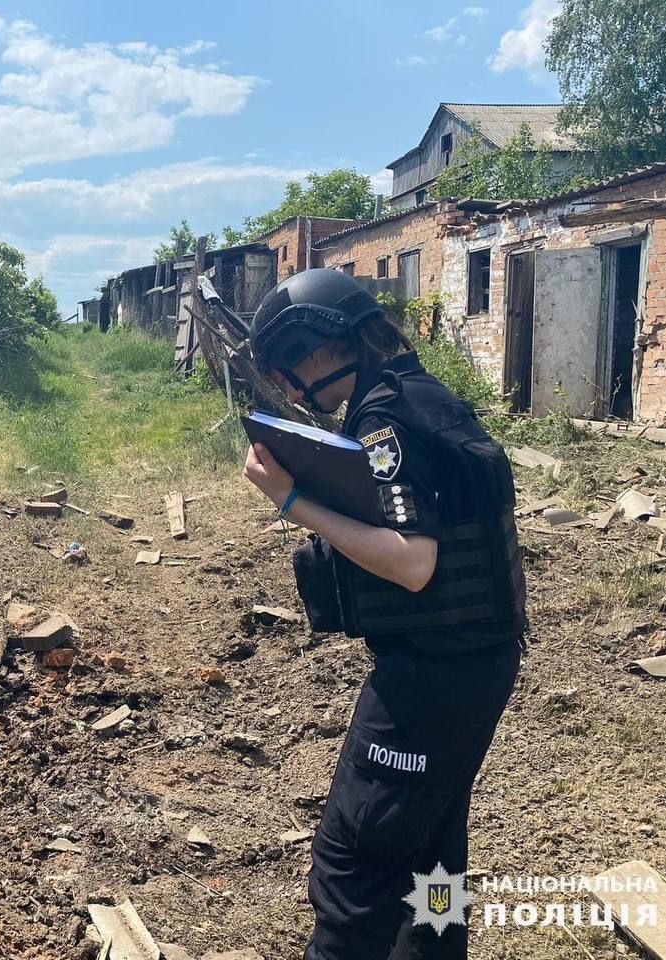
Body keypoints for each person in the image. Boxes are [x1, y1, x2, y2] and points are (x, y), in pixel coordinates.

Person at [241, 269, 526, 960]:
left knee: (355, 859)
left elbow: (412, 562)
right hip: (474, 663)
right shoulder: (419, 392)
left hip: (430, 679)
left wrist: (292, 502)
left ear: (319, 347)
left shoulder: (384, 420)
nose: (287, 387)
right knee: (433, 851)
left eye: (285, 368)